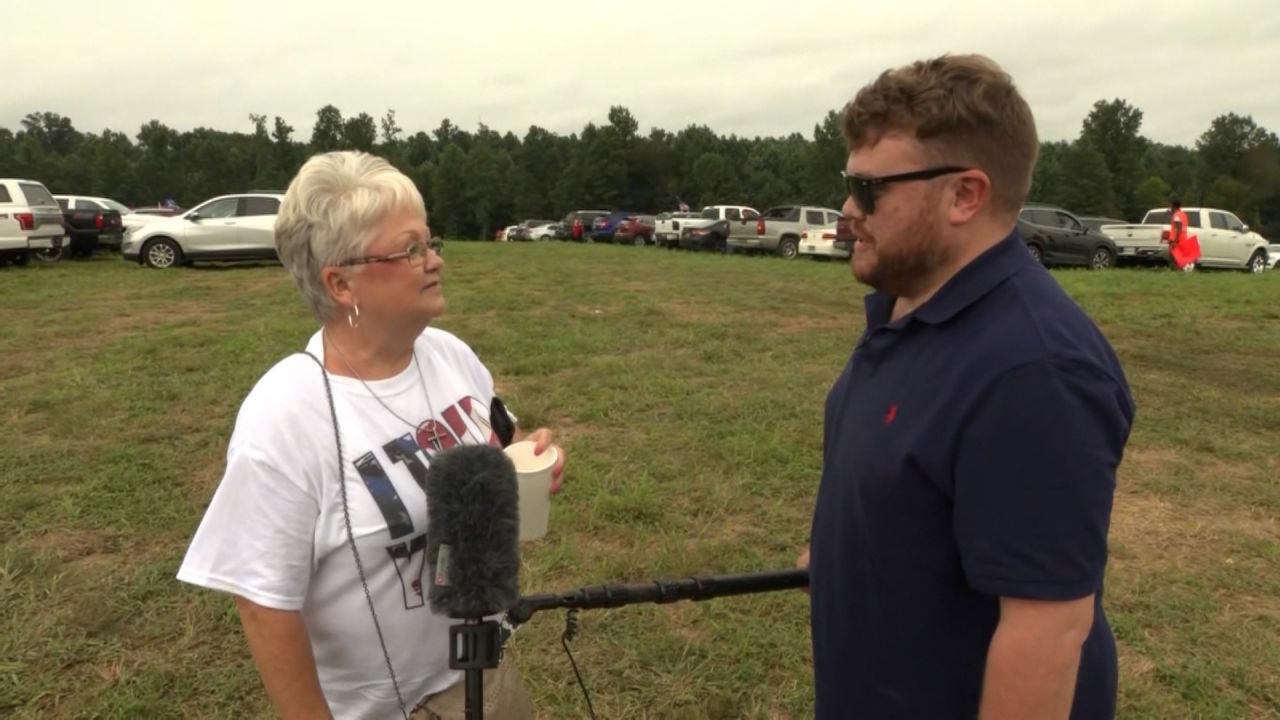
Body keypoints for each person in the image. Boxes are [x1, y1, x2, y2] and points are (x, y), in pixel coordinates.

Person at [798, 55, 1134, 719]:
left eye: (870, 191)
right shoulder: (909, 307)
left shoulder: (1034, 371)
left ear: (965, 195)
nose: (847, 210)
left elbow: (1046, 633)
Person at [177, 151, 566, 720]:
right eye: (410, 249)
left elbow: (496, 442)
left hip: (485, 670)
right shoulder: (286, 415)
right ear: (341, 282)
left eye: (431, 243)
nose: (433, 261)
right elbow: (263, 603)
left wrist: (523, 461)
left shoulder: (450, 355)